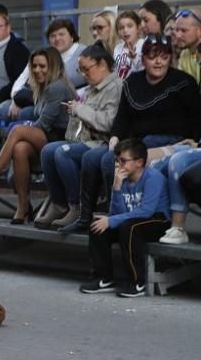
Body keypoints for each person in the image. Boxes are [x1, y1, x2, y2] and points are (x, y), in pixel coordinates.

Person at [60, 34, 201, 234]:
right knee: (95, 158)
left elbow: (196, 116)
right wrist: (115, 138)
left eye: (163, 56)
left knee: (113, 160)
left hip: (171, 140)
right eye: (152, 56)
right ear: (143, 59)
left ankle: (119, 218)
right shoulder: (133, 81)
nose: (158, 61)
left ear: (171, 58)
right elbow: (122, 118)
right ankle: (85, 217)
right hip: (136, 141)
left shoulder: (184, 82)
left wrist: (195, 140)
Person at [0, 47, 75, 223]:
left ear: (54, 67)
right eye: (34, 66)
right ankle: (22, 206)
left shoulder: (56, 87)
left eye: (42, 66)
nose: (37, 70)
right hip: (48, 138)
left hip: (64, 142)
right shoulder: (43, 87)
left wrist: (7, 132)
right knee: (20, 149)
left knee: (18, 131)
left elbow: (43, 125)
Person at [35, 43, 122, 229]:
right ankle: (59, 204)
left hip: (103, 142)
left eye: (86, 69)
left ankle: (77, 207)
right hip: (86, 139)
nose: (83, 74)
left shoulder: (115, 87)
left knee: (63, 153)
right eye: (79, 70)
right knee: (48, 151)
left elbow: (108, 123)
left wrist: (80, 109)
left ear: (102, 65)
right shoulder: (93, 87)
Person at [79, 138, 171, 298]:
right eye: (117, 160)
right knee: (97, 226)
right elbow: (116, 213)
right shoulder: (123, 180)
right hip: (131, 220)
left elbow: (146, 211)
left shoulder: (153, 177)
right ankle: (103, 278)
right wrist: (116, 187)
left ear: (139, 162)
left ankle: (138, 281)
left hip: (157, 220)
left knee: (128, 227)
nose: (119, 165)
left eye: (123, 160)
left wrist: (112, 221)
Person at [172, 8, 201, 83]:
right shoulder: (184, 53)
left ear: (199, 31)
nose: (178, 35)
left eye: (184, 30)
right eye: (177, 30)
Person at [113, 10, 144, 79]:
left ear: (138, 28)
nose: (125, 30)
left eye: (130, 26)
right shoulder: (118, 48)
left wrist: (134, 58)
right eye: (121, 28)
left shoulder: (143, 45)